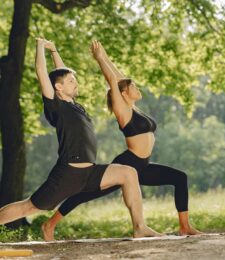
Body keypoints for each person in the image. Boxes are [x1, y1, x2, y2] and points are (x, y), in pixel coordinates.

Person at [0, 39, 162, 240]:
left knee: (129, 173)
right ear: (58, 88)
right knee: (30, 207)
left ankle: (140, 227)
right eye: (70, 82)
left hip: (89, 172)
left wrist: (55, 50)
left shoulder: (74, 105)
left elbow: (61, 73)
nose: (75, 83)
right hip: (68, 173)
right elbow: (43, 73)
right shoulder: (56, 106)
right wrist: (40, 46)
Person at [41, 40, 202, 241]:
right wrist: (99, 60)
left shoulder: (134, 107)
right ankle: (50, 224)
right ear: (124, 93)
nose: (136, 87)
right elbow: (112, 79)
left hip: (143, 165)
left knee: (180, 178)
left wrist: (104, 54)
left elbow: (117, 76)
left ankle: (184, 226)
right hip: (128, 163)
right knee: (86, 193)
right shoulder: (122, 109)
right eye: (133, 86)